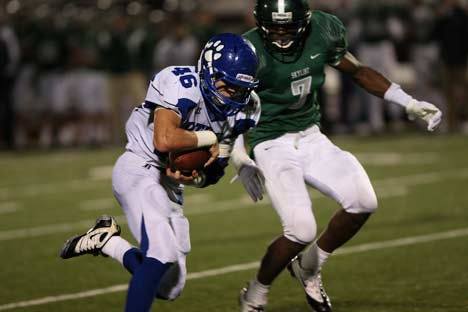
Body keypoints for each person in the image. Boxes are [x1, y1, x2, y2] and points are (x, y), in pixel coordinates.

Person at [234, 1, 442, 311]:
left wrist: (406, 101)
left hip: (310, 134)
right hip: (270, 141)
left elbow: (357, 71)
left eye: (288, 29)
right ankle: (255, 292)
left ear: (303, 22)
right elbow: (229, 109)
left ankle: (308, 266)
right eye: (273, 30)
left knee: (364, 201)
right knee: (300, 229)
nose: (280, 37)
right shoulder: (246, 50)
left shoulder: (322, 29)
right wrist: (239, 157)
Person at [59, 33, 261, 312]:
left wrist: (195, 177)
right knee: (161, 252)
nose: (232, 97)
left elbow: (214, 172)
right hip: (140, 168)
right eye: (227, 87)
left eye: (240, 90)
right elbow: (164, 140)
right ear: (208, 71)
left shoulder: (245, 110)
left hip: (169, 185)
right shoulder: (181, 81)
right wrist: (208, 139)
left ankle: (109, 242)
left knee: (169, 288)